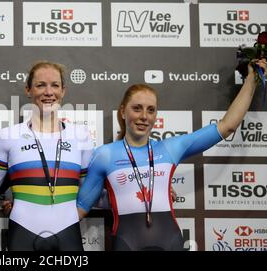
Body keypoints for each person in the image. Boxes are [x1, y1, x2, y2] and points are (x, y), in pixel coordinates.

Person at [77, 59, 267, 251]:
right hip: (126, 243)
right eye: (137, 108)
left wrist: (251, 79)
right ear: (123, 112)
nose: (144, 116)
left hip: (170, 242)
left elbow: (227, 126)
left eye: (151, 110)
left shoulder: (170, 148)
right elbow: (81, 207)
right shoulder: (105, 155)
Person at [0, 61, 94, 251]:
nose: (48, 92)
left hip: (69, 231)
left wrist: (73, 214)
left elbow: (89, 190)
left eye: (55, 85)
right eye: (40, 85)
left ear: (63, 91)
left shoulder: (81, 136)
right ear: (28, 90)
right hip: (22, 231)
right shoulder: (8, 136)